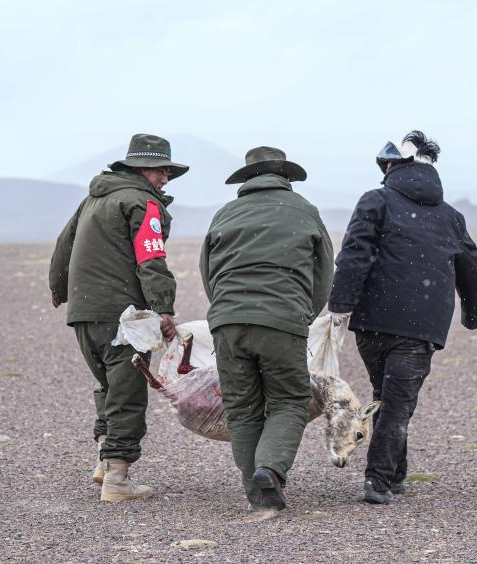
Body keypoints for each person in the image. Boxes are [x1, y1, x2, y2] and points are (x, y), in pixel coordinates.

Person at [328, 130, 477, 504]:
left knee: (389, 397)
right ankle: (379, 480)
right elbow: (471, 267)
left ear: (391, 169)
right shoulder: (451, 217)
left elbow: (354, 254)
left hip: (372, 322)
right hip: (421, 327)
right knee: (397, 402)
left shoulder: (376, 201)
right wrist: (473, 313)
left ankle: (393, 475)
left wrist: (340, 305)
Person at [49, 133, 186, 503]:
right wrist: (163, 309)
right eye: (161, 170)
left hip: (84, 313)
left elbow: (64, 246)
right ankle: (118, 480)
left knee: (109, 384)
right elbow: (151, 259)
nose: (165, 179)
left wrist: (60, 291)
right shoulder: (142, 203)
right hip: (122, 315)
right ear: (141, 169)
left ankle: (103, 462)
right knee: (127, 391)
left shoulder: (93, 199)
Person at [199, 146, 334, 512]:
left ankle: (257, 495)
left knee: (241, 408)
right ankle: (270, 470)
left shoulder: (224, 214)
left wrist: (225, 310)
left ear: (248, 179)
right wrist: (305, 313)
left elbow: (208, 271)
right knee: (289, 400)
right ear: (285, 177)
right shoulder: (304, 210)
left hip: (227, 321)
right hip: (282, 319)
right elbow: (323, 272)